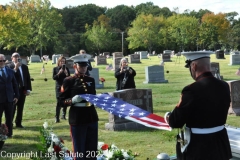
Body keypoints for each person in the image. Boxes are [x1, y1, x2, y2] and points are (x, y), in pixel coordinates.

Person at [164, 51, 232, 160]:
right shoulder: (224, 85)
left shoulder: (191, 90)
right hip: (220, 142)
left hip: (199, 146)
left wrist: (168, 117)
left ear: (194, 66)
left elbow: (175, 122)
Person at [59, 54, 98, 160]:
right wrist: (72, 101)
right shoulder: (69, 81)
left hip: (91, 117)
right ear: (75, 66)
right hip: (77, 118)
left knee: (92, 150)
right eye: (81, 66)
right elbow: (61, 101)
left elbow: (93, 95)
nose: (84, 68)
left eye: (85, 66)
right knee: (79, 150)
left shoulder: (91, 80)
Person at [10, 52, 32, 128]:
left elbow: (27, 79)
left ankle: (18, 123)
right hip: (13, 91)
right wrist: (15, 68)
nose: (16, 58)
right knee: (13, 107)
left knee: (21, 107)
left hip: (22, 89)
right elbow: (9, 77)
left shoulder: (24, 67)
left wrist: (28, 89)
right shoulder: (9, 67)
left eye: (18, 56)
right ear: (12, 58)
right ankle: (10, 123)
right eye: (15, 56)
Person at [0, 54, 19, 137]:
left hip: (9, 99)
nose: (2, 62)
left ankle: (9, 134)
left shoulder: (10, 71)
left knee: (9, 118)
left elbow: (15, 84)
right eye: (0, 61)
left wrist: (16, 96)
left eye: (3, 61)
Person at [52, 56, 70, 122]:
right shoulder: (55, 69)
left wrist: (66, 73)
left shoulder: (67, 69)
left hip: (65, 87)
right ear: (59, 62)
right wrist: (59, 73)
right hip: (59, 87)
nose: (62, 63)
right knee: (59, 102)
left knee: (65, 101)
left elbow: (69, 78)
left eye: (64, 62)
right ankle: (57, 117)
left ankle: (63, 115)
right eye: (61, 61)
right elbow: (54, 78)